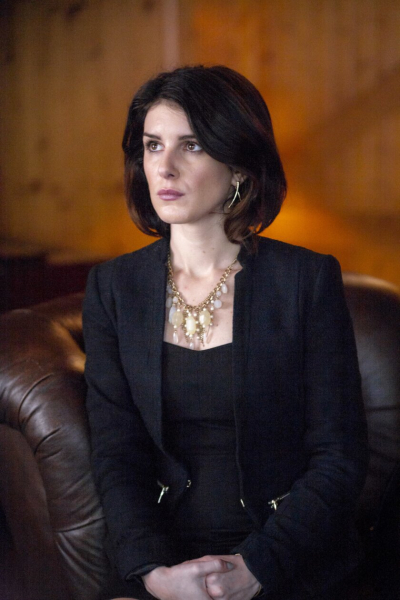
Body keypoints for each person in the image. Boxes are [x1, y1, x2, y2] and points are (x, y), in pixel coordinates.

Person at [83, 65, 368, 600]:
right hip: (164, 560)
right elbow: (116, 454)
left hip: (286, 557)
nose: (164, 166)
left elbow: (340, 454)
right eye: (152, 145)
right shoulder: (112, 288)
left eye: (190, 145)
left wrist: (258, 566)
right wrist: (154, 572)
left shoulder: (305, 280)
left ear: (238, 164)